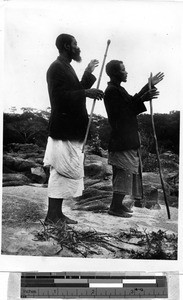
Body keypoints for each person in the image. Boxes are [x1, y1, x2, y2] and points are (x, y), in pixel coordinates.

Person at [43, 33, 103, 225]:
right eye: (75, 44)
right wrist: (85, 92)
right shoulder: (56, 68)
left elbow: (75, 89)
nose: (78, 47)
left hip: (70, 130)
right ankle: (52, 215)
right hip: (63, 131)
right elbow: (59, 98)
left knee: (63, 172)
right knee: (59, 171)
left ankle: (57, 214)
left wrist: (87, 74)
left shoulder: (66, 67)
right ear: (67, 46)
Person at [104, 60, 164, 218]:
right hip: (121, 141)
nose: (126, 72)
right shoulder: (111, 91)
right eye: (123, 70)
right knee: (123, 173)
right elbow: (123, 113)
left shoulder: (118, 89)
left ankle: (117, 205)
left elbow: (131, 102)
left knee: (128, 173)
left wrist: (148, 86)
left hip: (126, 139)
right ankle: (115, 207)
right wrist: (144, 98)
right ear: (115, 73)